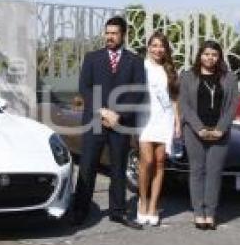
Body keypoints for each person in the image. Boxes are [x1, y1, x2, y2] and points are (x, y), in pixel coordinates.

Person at [70, 15, 147, 229]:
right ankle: (80, 210)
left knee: (119, 167)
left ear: (124, 35)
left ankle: (118, 211)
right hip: (95, 120)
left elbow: (137, 92)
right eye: (107, 33)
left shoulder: (135, 61)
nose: (109, 37)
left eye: (114, 33)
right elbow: (85, 88)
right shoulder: (92, 58)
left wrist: (118, 115)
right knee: (87, 166)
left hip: (120, 123)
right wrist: (103, 111)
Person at [179, 40, 240, 230]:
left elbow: (233, 104)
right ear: (200, 55)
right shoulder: (188, 76)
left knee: (214, 172)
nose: (210, 58)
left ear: (219, 57)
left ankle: (210, 214)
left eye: (214, 55)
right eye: (206, 54)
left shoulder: (229, 77)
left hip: (220, 131)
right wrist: (199, 128)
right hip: (194, 131)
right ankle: (198, 213)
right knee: (197, 171)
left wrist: (221, 128)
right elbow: (184, 105)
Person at [137, 32, 180, 226]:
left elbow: (174, 98)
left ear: (166, 49)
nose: (157, 49)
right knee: (147, 161)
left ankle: (154, 205)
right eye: (154, 45)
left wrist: (177, 121)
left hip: (165, 119)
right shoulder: (141, 67)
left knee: (160, 162)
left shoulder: (169, 69)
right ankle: (143, 201)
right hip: (145, 119)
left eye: (161, 46)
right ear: (148, 47)